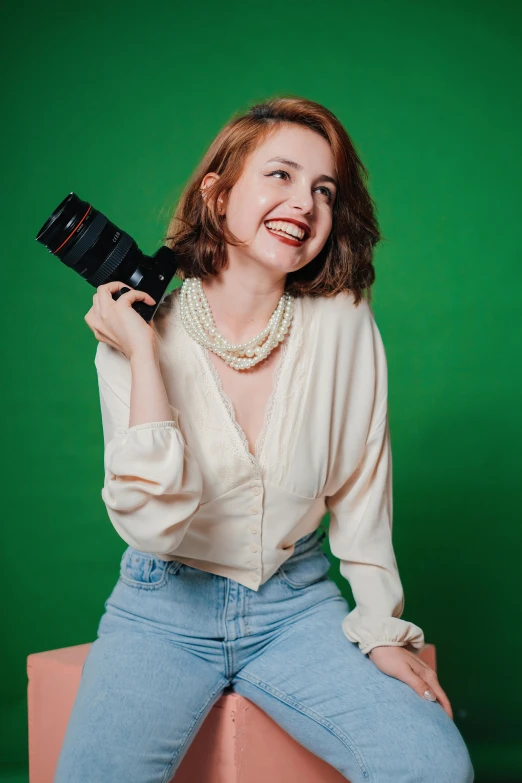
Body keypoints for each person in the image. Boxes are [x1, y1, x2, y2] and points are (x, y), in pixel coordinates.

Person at [54, 97, 474, 783]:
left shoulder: (343, 318)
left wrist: (379, 626)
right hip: (163, 607)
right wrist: (142, 351)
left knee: (432, 762)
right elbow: (154, 524)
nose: (304, 202)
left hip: (297, 606)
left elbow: (364, 478)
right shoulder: (135, 325)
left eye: (324, 190)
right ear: (219, 196)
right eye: (280, 175)